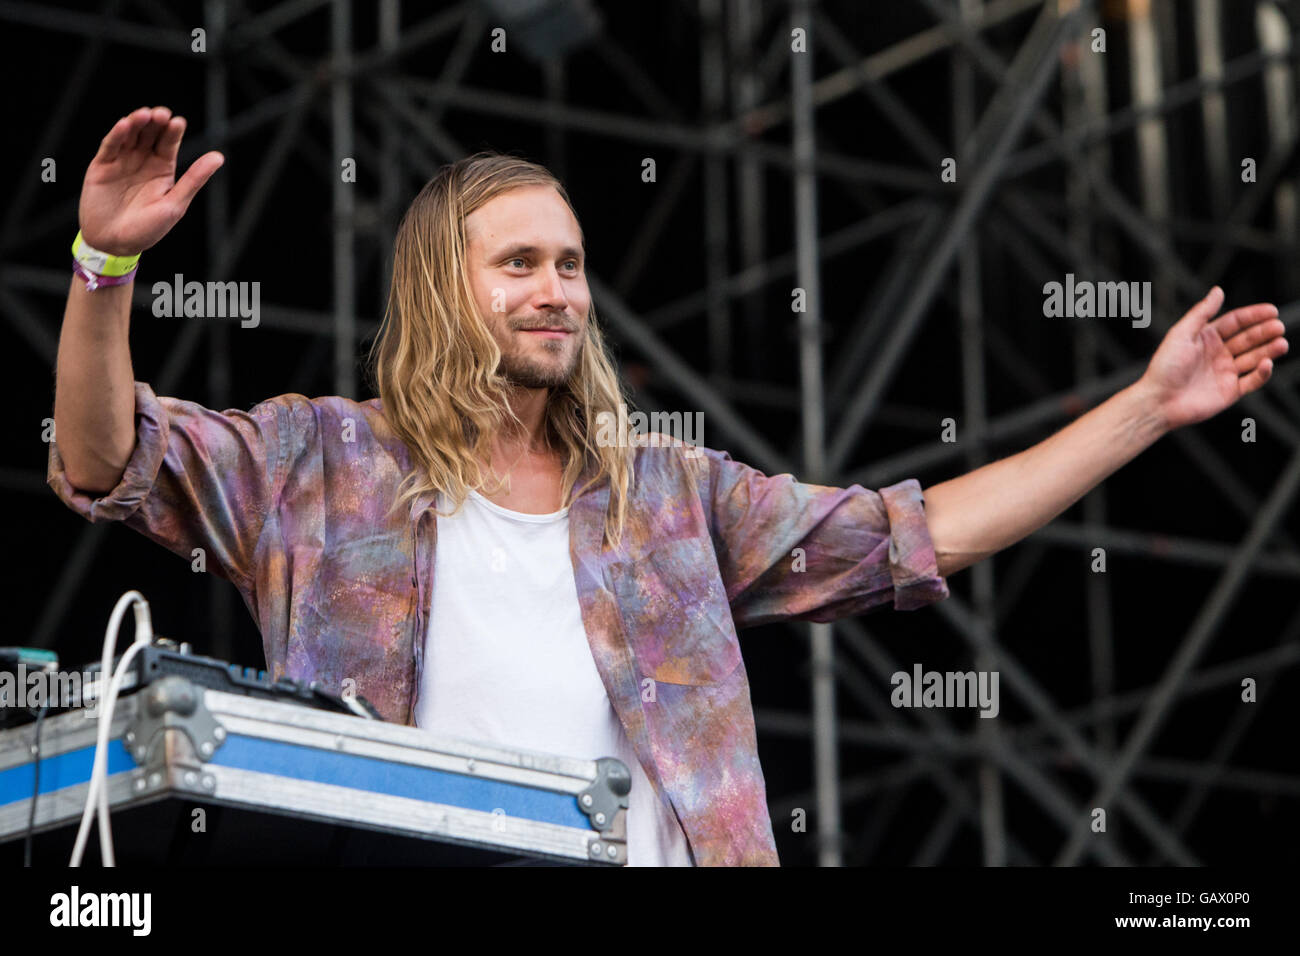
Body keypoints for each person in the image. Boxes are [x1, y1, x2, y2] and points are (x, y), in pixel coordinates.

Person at [48, 106, 1289, 867]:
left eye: (573, 265)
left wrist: (1148, 404)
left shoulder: (667, 497)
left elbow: (920, 535)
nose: (558, 290)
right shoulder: (321, 462)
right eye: (520, 262)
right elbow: (107, 459)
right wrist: (105, 263)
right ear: (441, 287)